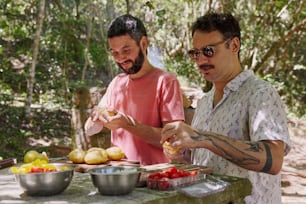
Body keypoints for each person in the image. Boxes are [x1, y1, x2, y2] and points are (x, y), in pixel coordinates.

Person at [160, 12, 291, 204]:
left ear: (234, 45)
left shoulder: (260, 93)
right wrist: (180, 153)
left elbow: (273, 160)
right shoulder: (205, 102)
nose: (200, 60)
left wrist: (202, 138)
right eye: (195, 53)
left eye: (209, 51)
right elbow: (203, 160)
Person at [84, 14, 185, 165]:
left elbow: (175, 139)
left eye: (126, 50)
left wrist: (128, 125)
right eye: (115, 53)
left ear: (143, 44)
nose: (121, 58)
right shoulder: (116, 83)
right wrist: (96, 117)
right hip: (119, 176)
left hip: (154, 179)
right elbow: (89, 129)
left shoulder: (165, 81)